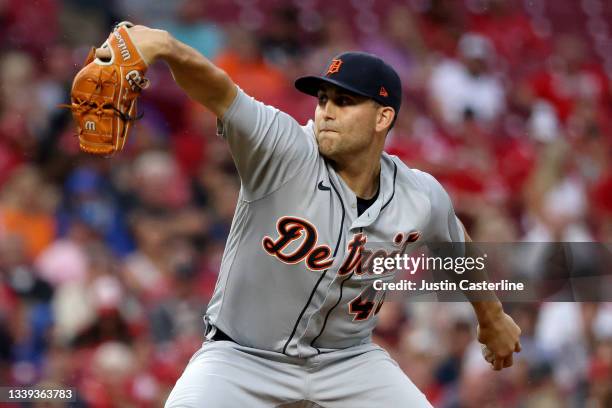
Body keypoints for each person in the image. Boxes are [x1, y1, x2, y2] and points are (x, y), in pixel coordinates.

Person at [95, 24, 522, 408]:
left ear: (383, 117)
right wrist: (168, 47)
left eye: (345, 100)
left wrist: (492, 317)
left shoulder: (419, 195)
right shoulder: (284, 150)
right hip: (243, 356)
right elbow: (220, 92)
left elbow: (457, 245)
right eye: (323, 99)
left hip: (349, 362)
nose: (326, 111)